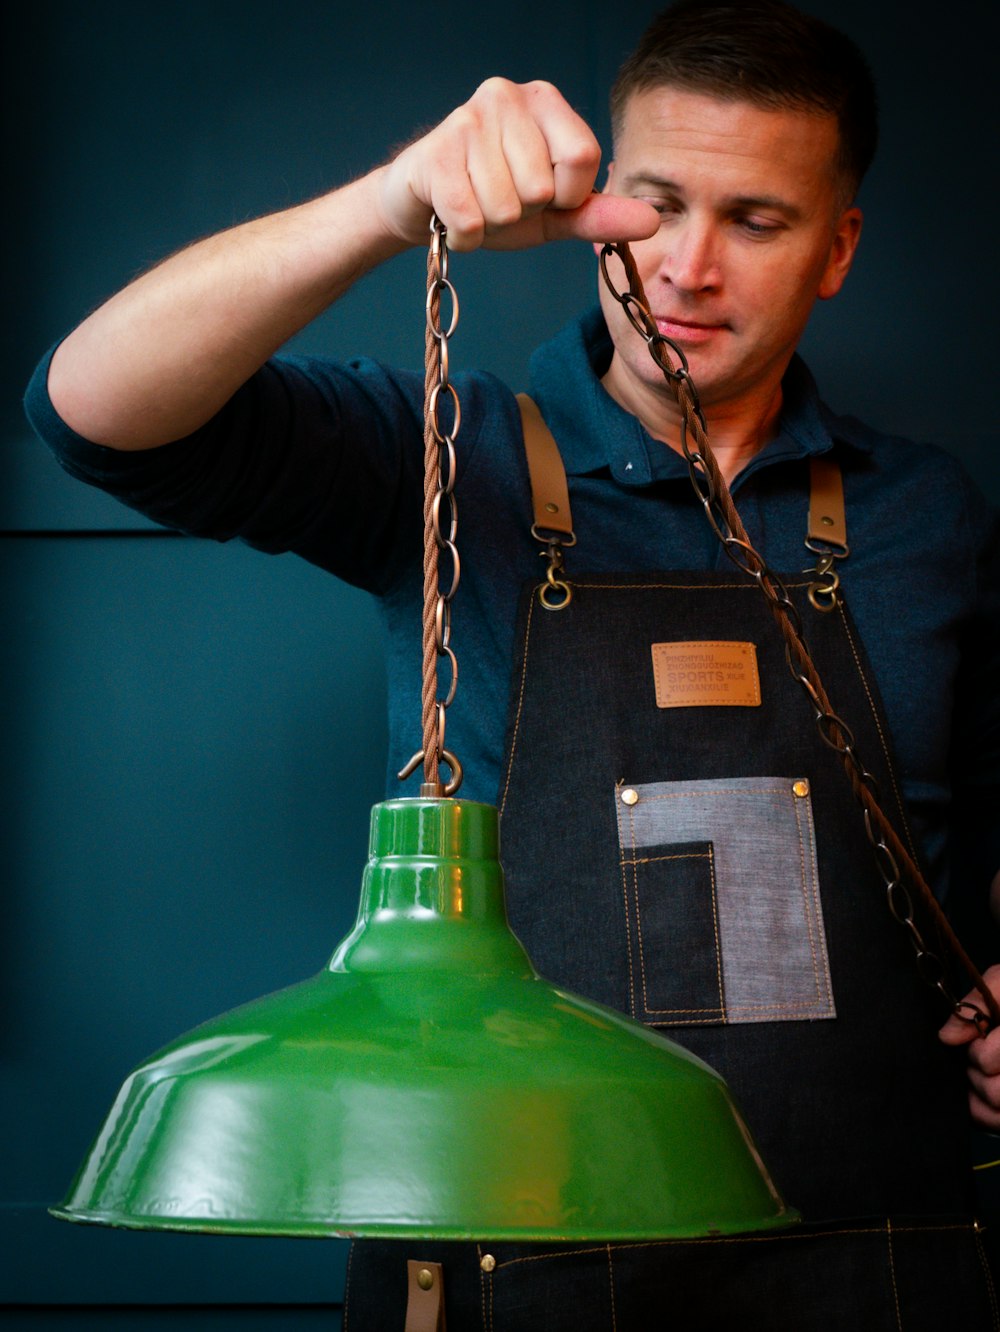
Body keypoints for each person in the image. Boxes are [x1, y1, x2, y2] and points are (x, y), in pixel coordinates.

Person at [24, 1, 1000, 1326]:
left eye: (754, 222)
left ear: (838, 250)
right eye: (656, 206)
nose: (686, 269)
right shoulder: (446, 454)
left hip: (874, 1259)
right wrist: (392, 199)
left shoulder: (926, 516)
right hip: (506, 1267)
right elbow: (92, 413)